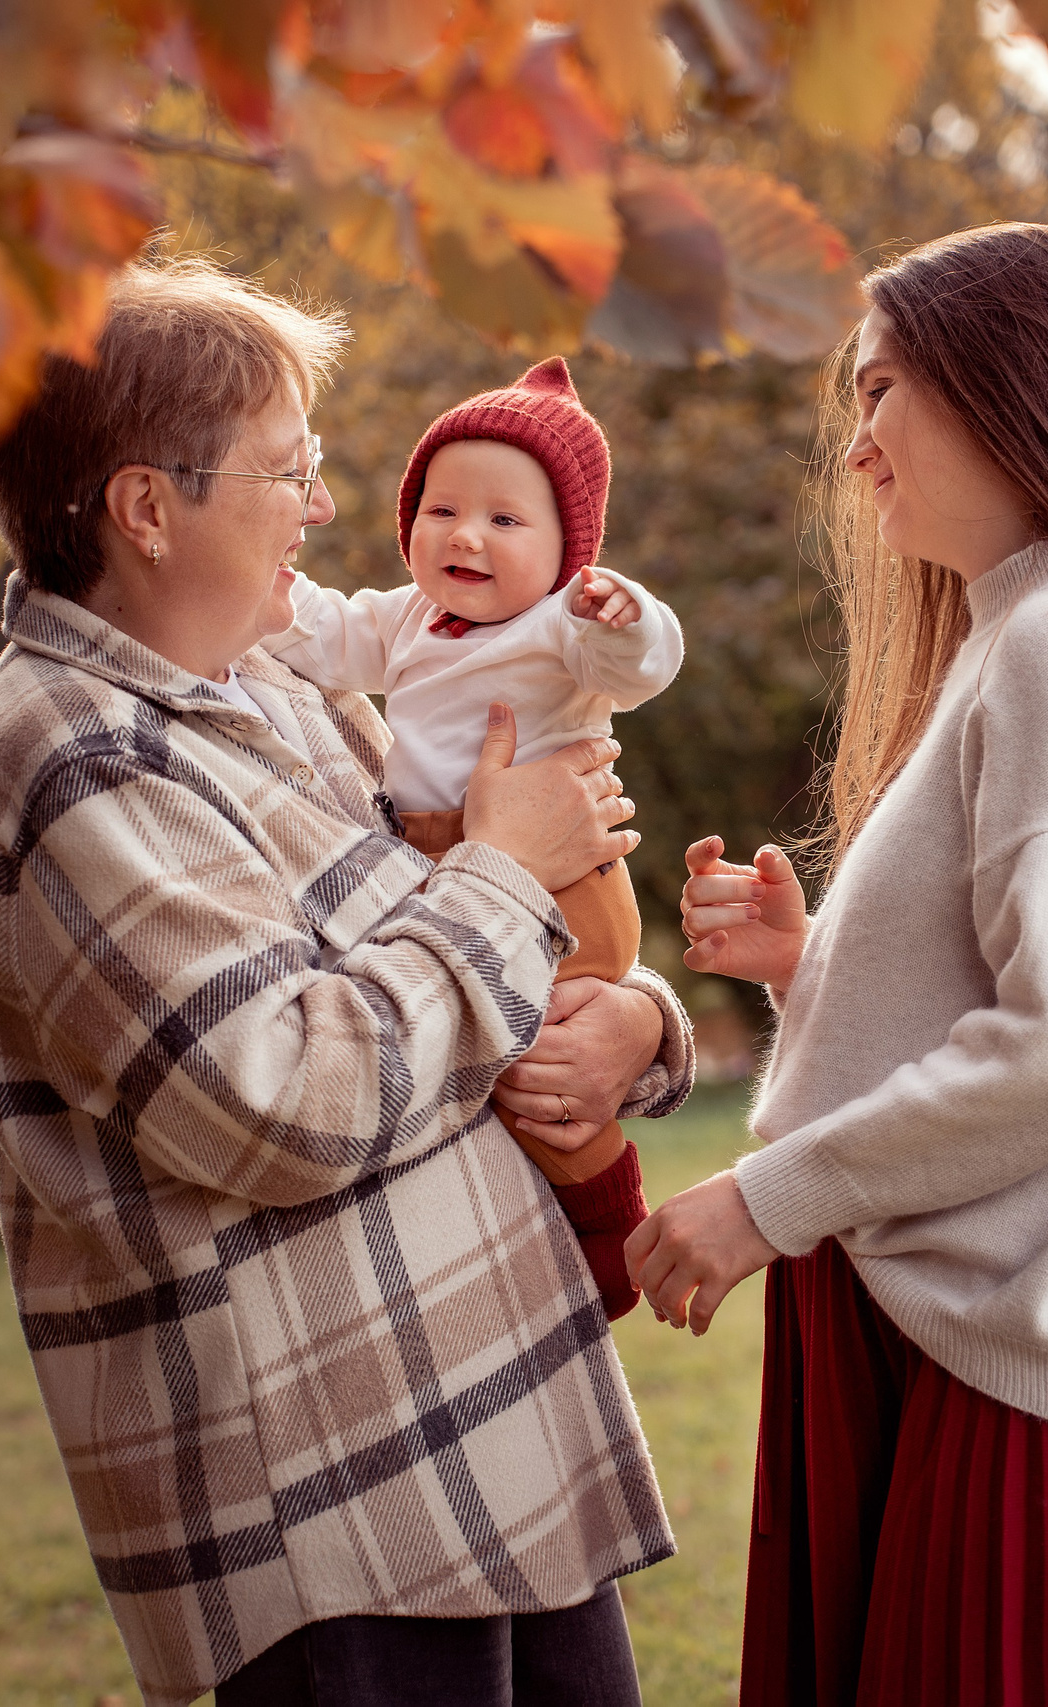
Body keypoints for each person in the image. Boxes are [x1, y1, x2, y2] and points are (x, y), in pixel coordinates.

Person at [0, 255, 692, 1707]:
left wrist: (641, 1023)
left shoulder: (271, 679)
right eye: (289, 470)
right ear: (149, 508)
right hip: (334, 1506)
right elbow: (284, 1101)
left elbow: (469, 949)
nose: (329, 506)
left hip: (494, 1430)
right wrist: (503, 869)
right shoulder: (77, 760)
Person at [626, 222, 1048, 1703]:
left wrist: (766, 1195)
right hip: (969, 1355)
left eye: (882, 393)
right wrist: (820, 975)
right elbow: (1029, 1003)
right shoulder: (1026, 634)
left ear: (1013, 386)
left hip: (1028, 1394)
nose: (857, 446)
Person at [264, 357, 684, 1313]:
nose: (466, 536)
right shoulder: (409, 617)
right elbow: (323, 631)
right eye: (442, 509)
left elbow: (642, 665)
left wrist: (627, 616)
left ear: (567, 551)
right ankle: (550, 1223)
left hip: (562, 878)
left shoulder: (559, 629)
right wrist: (262, 597)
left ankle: (610, 1219)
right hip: (446, 862)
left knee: (541, 1066)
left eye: (505, 520)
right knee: (491, 1060)